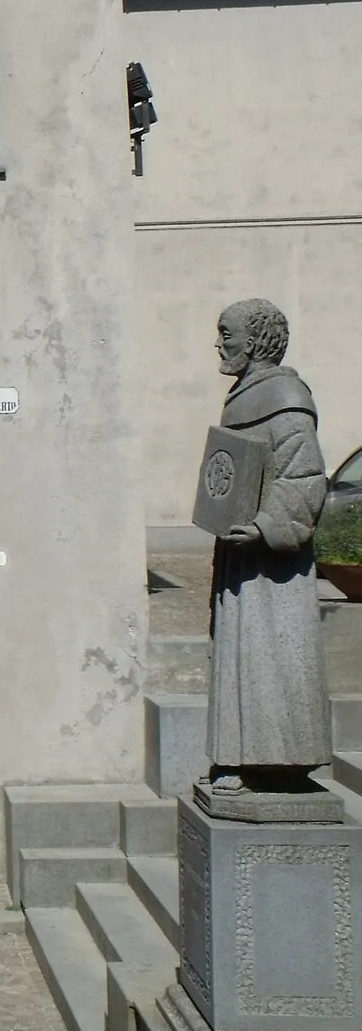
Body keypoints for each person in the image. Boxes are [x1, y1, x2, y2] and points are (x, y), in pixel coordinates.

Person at [207, 298, 331, 793]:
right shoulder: (243, 396)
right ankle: (236, 756)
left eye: (226, 333)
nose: (218, 344)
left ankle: (286, 761)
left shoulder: (285, 398)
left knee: (276, 658)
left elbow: (305, 478)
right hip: (240, 561)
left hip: (273, 568)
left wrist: (263, 526)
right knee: (241, 658)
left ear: (256, 341)